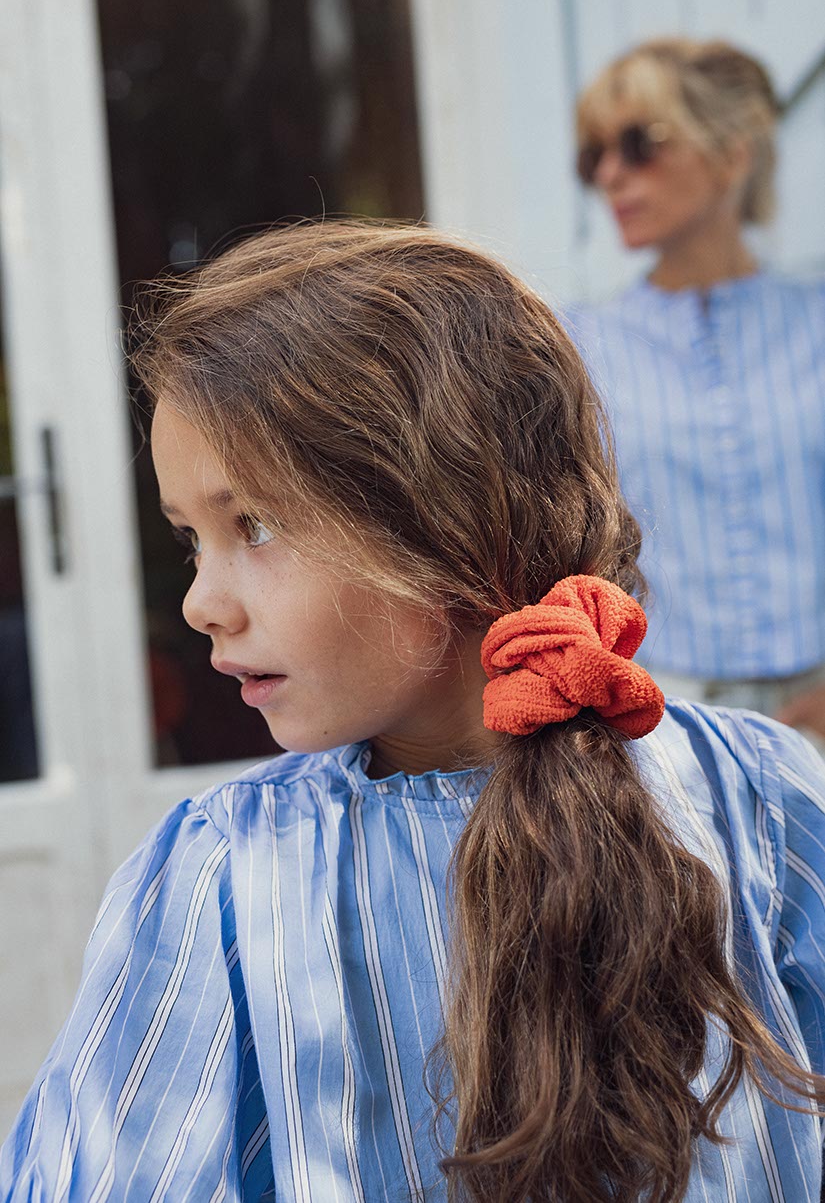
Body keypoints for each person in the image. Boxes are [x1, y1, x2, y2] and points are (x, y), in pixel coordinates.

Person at [3, 221, 825, 1203]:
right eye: (192, 538)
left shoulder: (769, 802)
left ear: (444, 521)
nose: (199, 601)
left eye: (253, 525)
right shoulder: (221, 876)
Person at [566, 37, 825, 742]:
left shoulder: (817, 323)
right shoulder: (573, 347)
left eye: (639, 144)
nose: (612, 175)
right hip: (659, 732)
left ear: (732, 153)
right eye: (594, 156)